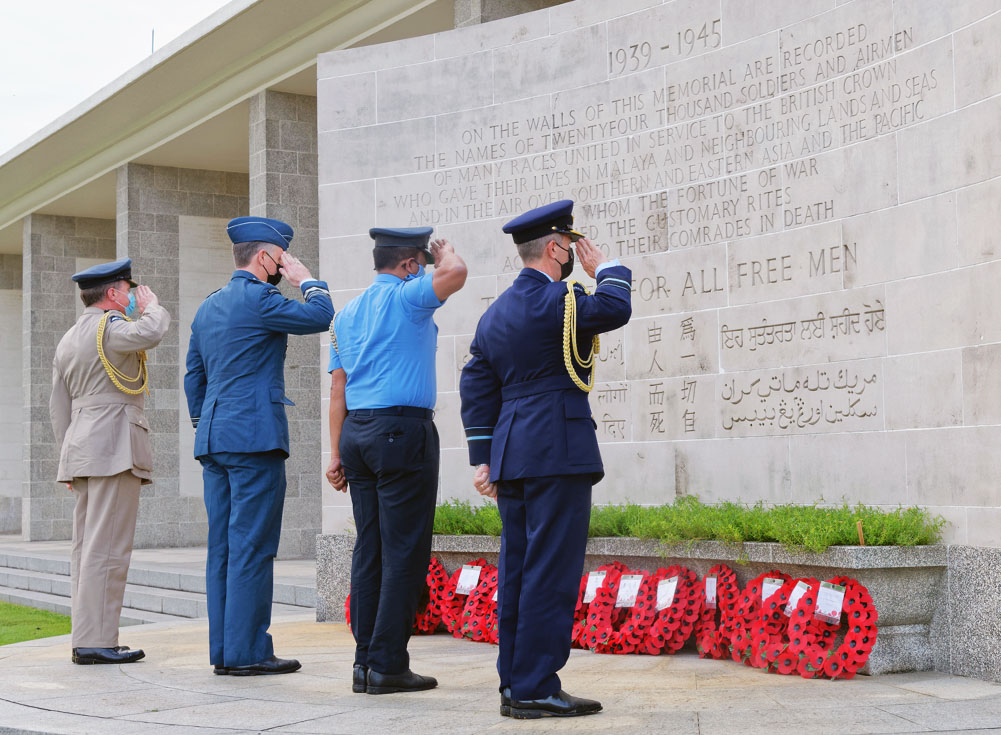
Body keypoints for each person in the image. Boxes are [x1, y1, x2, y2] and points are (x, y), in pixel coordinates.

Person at [459, 200, 632, 719]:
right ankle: (536, 685)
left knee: (518, 567)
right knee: (551, 571)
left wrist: (483, 456)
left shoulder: (495, 314)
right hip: (558, 449)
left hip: (514, 452)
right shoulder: (563, 301)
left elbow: (475, 383)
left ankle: (515, 680)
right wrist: (609, 270)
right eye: (570, 245)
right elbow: (616, 307)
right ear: (557, 248)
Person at [184, 216, 334, 676]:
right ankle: (248, 652)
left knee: (224, 549)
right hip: (253, 440)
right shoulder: (260, 298)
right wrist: (306, 279)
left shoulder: (209, 306)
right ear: (266, 256)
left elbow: (194, 376)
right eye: (279, 257)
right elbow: (320, 316)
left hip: (215, 439)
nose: (280, 266)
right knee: (252, 547)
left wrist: (207, 421)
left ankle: (225, 652)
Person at [325, 226, 467, 695]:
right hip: (401, 432)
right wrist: (445, 253)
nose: (424, 272)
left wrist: (335, 451)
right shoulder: (408, 298)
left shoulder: (345, 315)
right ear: (409, 265)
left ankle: (364, 663)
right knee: (404, 550)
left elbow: (337, 388)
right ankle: (387, 665)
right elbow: (458, 273)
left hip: (357, 434)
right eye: (420, 265)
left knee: (371, 548)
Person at [50, 258, 170, 665]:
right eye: (129, 289)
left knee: (86, 548)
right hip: (114, 447)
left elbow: (58, 407)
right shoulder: (111, 328)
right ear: (114, 293)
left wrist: (66, 461)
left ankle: (87, 638)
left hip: (83, 449)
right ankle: (96, 642)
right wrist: (152, 305)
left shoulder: (69, 337)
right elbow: (151, 332)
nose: (133, 295)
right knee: (108, 548)